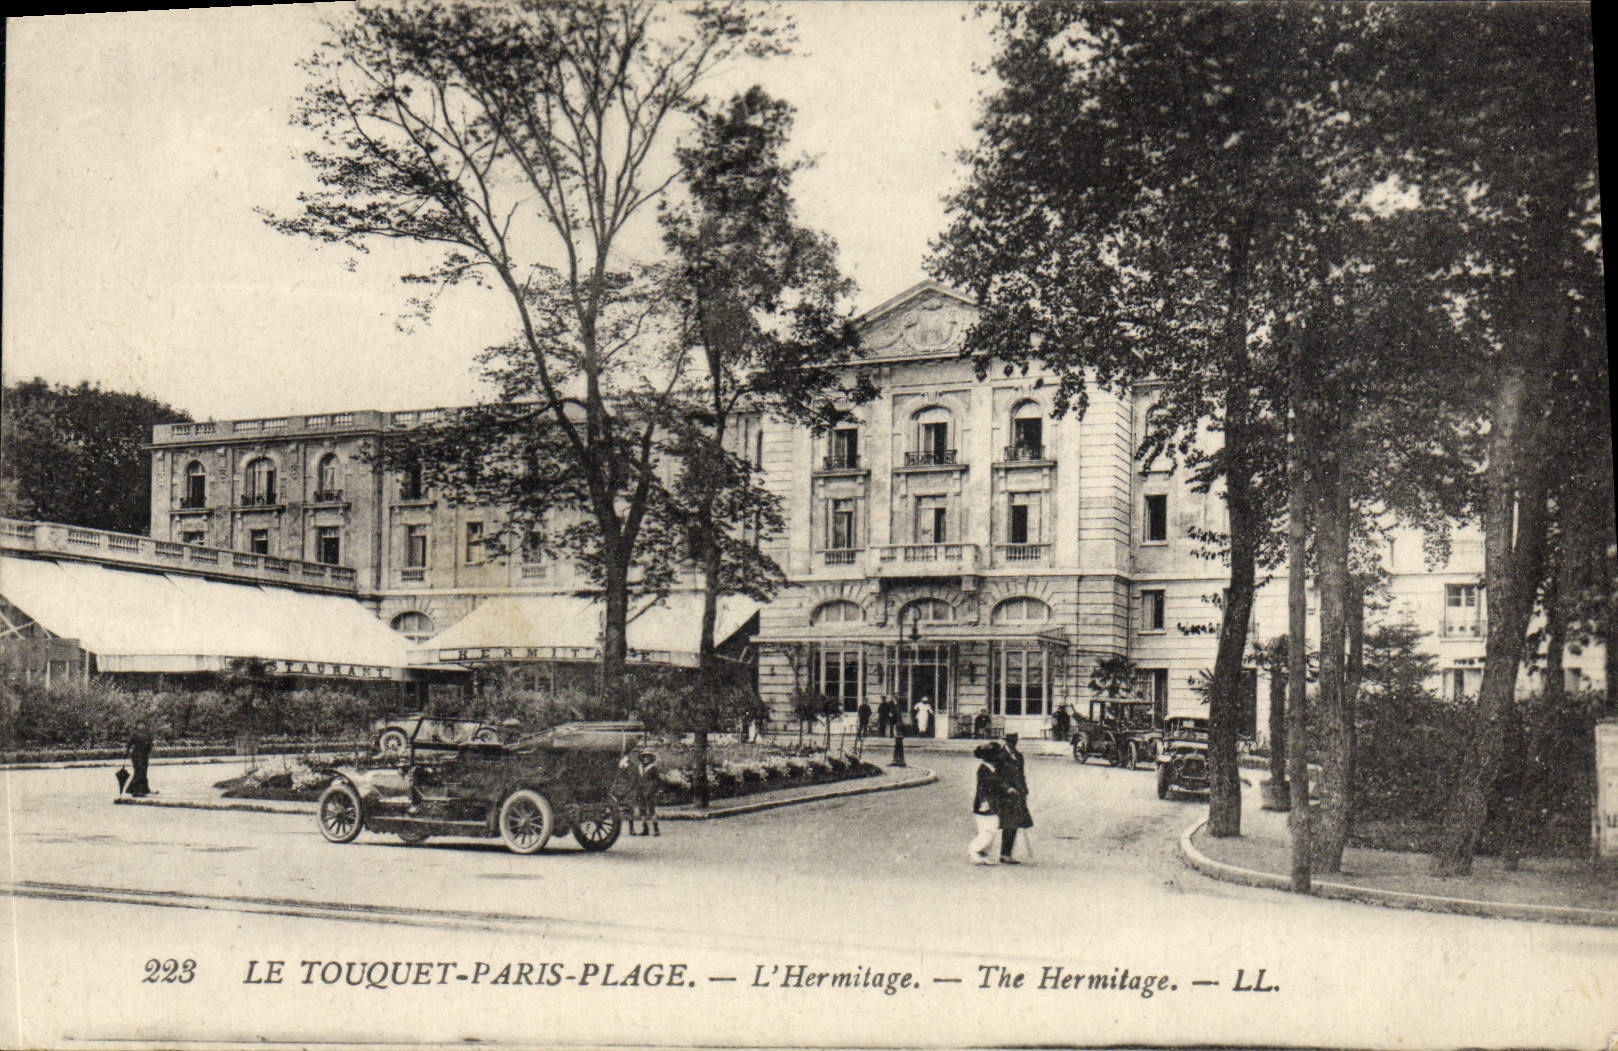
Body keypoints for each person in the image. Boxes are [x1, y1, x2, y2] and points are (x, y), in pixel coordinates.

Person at [995, 734, 1034, 864]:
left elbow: (1021, 774)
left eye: (1014, 741)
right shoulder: (999, 756)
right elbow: (996, 776)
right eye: (1010, 741)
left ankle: (1006, 854)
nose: (1013, 744)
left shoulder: (1019, 756)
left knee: (1014, 824)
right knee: (1007, 824)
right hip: (1005, 796)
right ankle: (1002, 853)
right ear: (1006, 741)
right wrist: (1007, 788)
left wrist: (1025, 790)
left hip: (1018, 795)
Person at [969, 742, 1007, 864]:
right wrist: (984, 802)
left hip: (991, 803)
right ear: (991, 756)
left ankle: (983, 853)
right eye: (998, 754)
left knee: (990, 828)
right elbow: (982, 787)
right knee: (988, 829)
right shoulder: (983, 769)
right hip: (984, 804)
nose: (1000, 756)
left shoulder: (991, 768)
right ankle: (974, 850)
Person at [619, 750, 661, 836]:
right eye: (644, 756)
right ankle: (645, 829)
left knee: (651, 810)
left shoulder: (653, 768)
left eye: (648, 757)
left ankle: (656, 830)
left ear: (651, 758)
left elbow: (657, 780)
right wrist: (630, 789)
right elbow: (636, 779)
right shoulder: (640, 768)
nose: (646, 758)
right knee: (642, 810)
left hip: (650, 791)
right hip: (641, 791)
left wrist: (654, 789)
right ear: (642, 758)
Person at [126, 721, 154, 797]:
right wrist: (127, 752)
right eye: (140, 725)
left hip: (144, 756)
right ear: (138, 726)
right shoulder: (135, 734)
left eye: (143, 725)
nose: (142, 726)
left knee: (143, 772)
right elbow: (129, 743)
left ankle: (143, 790)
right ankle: (136, 791)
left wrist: (149, 749)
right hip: (136, 756)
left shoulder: (147, 734)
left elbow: (150, 744)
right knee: (139, 772)